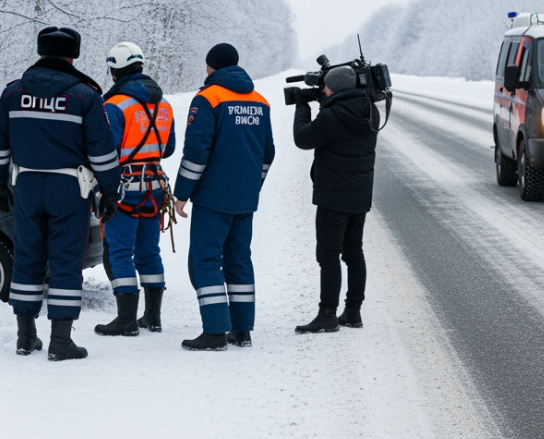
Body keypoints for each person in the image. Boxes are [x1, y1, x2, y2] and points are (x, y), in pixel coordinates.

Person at [0, 27, 121, 362]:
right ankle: (61, 341)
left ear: (40, 51)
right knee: (65, 261)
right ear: (73, 56)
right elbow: (102, 150)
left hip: (27, 185)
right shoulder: (85, 96)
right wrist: (109, 190)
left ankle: (25, 337)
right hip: (69, 189)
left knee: (28, 257)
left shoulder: (13, 93)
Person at [172, 43, 275, 351]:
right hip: (244, 198)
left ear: (210, 67)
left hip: (213, 197)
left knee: (205, 260)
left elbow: (196, 152)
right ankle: (242, 330)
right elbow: (267, 153)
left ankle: (215, 331)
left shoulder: (208, 98)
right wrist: (252, 186)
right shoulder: (260, 101)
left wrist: (182, 194)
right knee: (239, 259)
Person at [291, 66, 381, 333]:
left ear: (335, 89)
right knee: (354, 253)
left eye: (326, 87)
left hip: (333, 197)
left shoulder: (332, 116)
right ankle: (353, 312)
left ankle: (327, 314)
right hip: (360, 194)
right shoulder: (369, 110)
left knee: (328, 255)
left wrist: (301, 106)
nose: (323, 91)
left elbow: (302, 138)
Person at [95, 42, 176, 337]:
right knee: (148, 252)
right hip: (155, 187)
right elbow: (168, 149)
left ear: (114, 70)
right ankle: (152, 317)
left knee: (119, 252)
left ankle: (126, 320)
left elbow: (108, 150)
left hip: (125, 187)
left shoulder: (114, 106)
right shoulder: (164, 104)